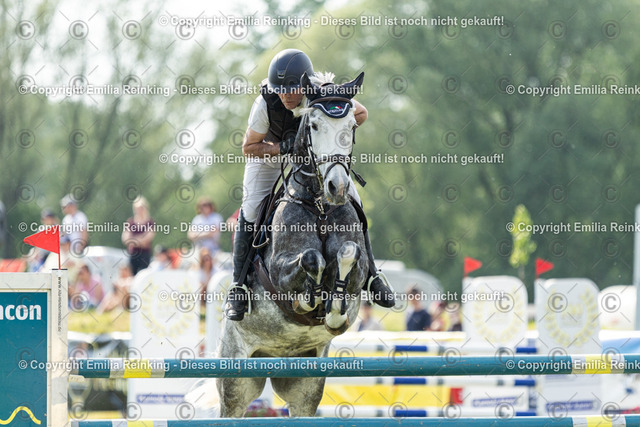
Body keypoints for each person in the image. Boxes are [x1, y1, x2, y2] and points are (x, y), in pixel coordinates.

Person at [224, 48, 395, 321]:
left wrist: (332, 138)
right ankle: (239, 286)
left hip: (315, 158)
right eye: (280, 90)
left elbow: (361, 114)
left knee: (354, 198)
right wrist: (282, 148)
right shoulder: (265, 103)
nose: (285, 96)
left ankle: (373, 276)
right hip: (269, 155)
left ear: (305, 85)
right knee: (252, 207)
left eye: (291, 90)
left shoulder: (321, 92)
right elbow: (249, 147)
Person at [121, 196, 155, 275]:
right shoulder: (130, 222)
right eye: (138, 208)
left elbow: (148, 239)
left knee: (144, 275)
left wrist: (133, 240)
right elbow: (125, 239)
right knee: (132, 276)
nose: (140, 210)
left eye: (141, 208)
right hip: (133, 255)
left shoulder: (150, 222)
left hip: (145, 255)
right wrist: (141, 240)